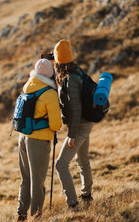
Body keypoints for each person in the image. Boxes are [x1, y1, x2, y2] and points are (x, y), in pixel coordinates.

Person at [16, 59, 62, 221]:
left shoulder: (28, 85)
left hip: (23, 137)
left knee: (26, 178)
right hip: (39, 140)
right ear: (50, 74)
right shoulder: (49, 93)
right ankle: (36, 216)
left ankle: (21, 213)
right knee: (37, 180)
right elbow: (56, 125)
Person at [53, 39, 94, 208]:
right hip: (86, 123)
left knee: (61, 164)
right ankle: (87, 196)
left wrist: (71, 135)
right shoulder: (77, 71)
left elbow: (76, 110)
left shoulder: (71, 80)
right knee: (83, 160)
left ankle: (72, 205)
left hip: (79, 126)